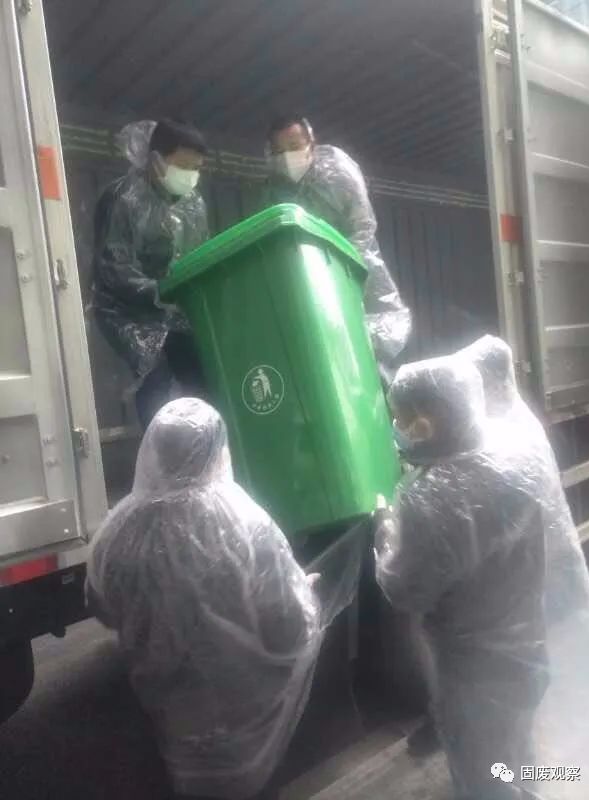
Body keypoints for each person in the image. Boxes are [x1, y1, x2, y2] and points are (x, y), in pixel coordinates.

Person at [86, 398, 323, 800]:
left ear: (152, 453)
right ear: (218, 452)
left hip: (172, 714)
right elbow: (289, 628)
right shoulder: (247, 524)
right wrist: (307, 595)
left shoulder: (117, 530)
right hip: (245, 719)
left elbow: (102, 606)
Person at [375, 355, 551, 799]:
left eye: (401, 418)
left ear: (426, 422)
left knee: (484, 775)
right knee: (516, 754)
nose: (397, 428)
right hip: (528, 650)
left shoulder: (428, 497)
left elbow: (404, 589)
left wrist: (385, 534)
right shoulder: (519, 457)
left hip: (474, 675)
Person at [265, 114, 411, 386]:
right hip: (309, 284)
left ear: (311, 142)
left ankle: (389, 405)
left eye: (294, 146)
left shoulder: (337, 171)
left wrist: (339, 267)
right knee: (331, 359)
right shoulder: (276, 188)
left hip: (355, 273)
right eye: (279, 151)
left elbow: (363, 224)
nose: (287, 157)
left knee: (372, 352)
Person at [92, 119, 209, 430]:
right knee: (155, 381)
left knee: (202, 377)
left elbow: (200, 255)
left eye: (196, 168)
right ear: (156, 159)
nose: (190, 175)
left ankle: (206, 447)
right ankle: (160, 452)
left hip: (175, 308)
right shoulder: (124, 198)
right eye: (184, 166)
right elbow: (114, 268)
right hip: (128, 312)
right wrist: (161, 291)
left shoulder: (193, 204)